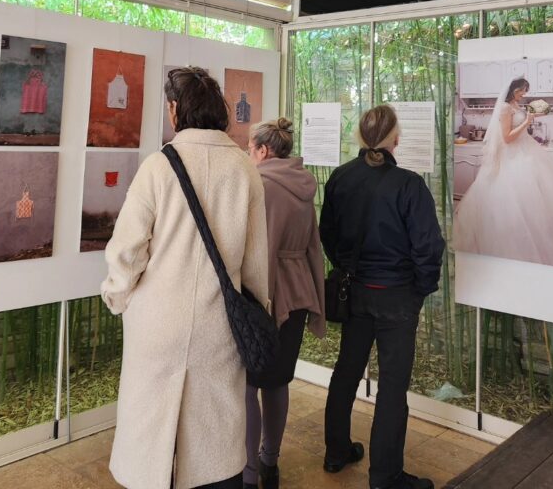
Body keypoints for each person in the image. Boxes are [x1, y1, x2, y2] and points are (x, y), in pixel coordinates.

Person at [101, 66, 270, 489]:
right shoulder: (244, 168)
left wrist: (118, 297)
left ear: (176, 109)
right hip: (219, 325)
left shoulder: (158, 167)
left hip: (157, 323)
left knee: (149, 437)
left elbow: (127, 251)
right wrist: (256, 313)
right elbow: (255, 265)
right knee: (215, 440)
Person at [319, 105, 446, 489]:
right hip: (396, 297)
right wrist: (419, 289)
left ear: (360, 137)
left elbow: (328, 234)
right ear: (396, 139)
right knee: (392, 387)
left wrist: (347, 268)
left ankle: (336, 451)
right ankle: (385, 476)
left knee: (346, 371)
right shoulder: (409, 185)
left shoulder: (341, 177)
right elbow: (429, 247)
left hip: (356, 292)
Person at [244, 118, 326, 489]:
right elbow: (313, 247)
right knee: (277, 382)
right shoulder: (304, 184)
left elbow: (259, 251)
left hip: (264, 294)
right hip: (298, 294)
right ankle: (270, 463)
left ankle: (248, 474)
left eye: (250, 149)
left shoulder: (260, 185)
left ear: (263, 150)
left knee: (248, 385)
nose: (248, 155)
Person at [452, 77, 553, 270]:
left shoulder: (516, 106)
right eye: (522, 91)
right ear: (513, 90)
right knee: (516, 200)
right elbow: (507, 138)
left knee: (541, 200)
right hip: (512, 156)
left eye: (525, 91)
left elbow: (520, 128)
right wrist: (527, 121)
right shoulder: (505, 108)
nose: (524, 94)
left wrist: (531, 117)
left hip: (527, 151)